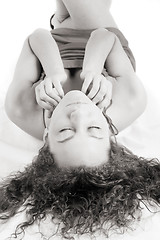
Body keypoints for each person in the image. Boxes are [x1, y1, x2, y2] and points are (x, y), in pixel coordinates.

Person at [1, 0, 154, 239]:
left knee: (69, 14)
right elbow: (103, 36)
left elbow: (37, 37)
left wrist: (54, 72)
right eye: (93, 128)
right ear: (111, 133)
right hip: (103, 46)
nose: (79, 114)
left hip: (56, 40)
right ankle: (68, 16)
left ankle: (62, 20)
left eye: (65, 132)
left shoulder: (20, 109)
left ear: (46, 137)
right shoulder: (130, 101)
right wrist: (93, 70)